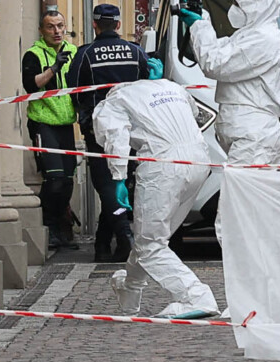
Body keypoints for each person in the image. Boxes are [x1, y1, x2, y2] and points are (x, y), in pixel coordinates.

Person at [91, 76, 225, 320]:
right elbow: (194, 113)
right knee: (152, 237)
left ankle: (196, 296)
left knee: (151, 243)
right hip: (199, 160)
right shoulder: (171, 87)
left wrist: (118, 177)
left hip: (161, 165)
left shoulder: (115, 100)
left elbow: (115, 137)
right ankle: (129, 291)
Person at [67, 3, 150, 259]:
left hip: (99, 131)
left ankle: (124, 237)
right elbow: (147, 84)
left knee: (107, 185)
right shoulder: (136, 52)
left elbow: (73, 89)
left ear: (94, 25)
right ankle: (102, 246)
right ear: (117, 24)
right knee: (119, 184)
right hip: (133, 129)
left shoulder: (86, 54)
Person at [184, 0, 280, 172]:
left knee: (242, 197)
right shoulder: (249, 34)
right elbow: (219, 48)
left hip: (253, 136)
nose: (234, 8)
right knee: (247, 197)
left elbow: (214, 64)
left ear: (254, 7)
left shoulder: (263, 39)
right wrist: (202, 19)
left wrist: (199, 26)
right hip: (249, 133)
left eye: (239, 4)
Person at [21, 7, 80, 255]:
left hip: (66, 123)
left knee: (67, 181)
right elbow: (30, 85)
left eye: (60, 26)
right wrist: (54, 68)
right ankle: (49, 226)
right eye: (51, 27)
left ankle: (62, 227)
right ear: (41, 30)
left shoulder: (73, 51)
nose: (57, 31)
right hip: (43, 122)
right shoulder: (33, 54)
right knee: (54, 179)